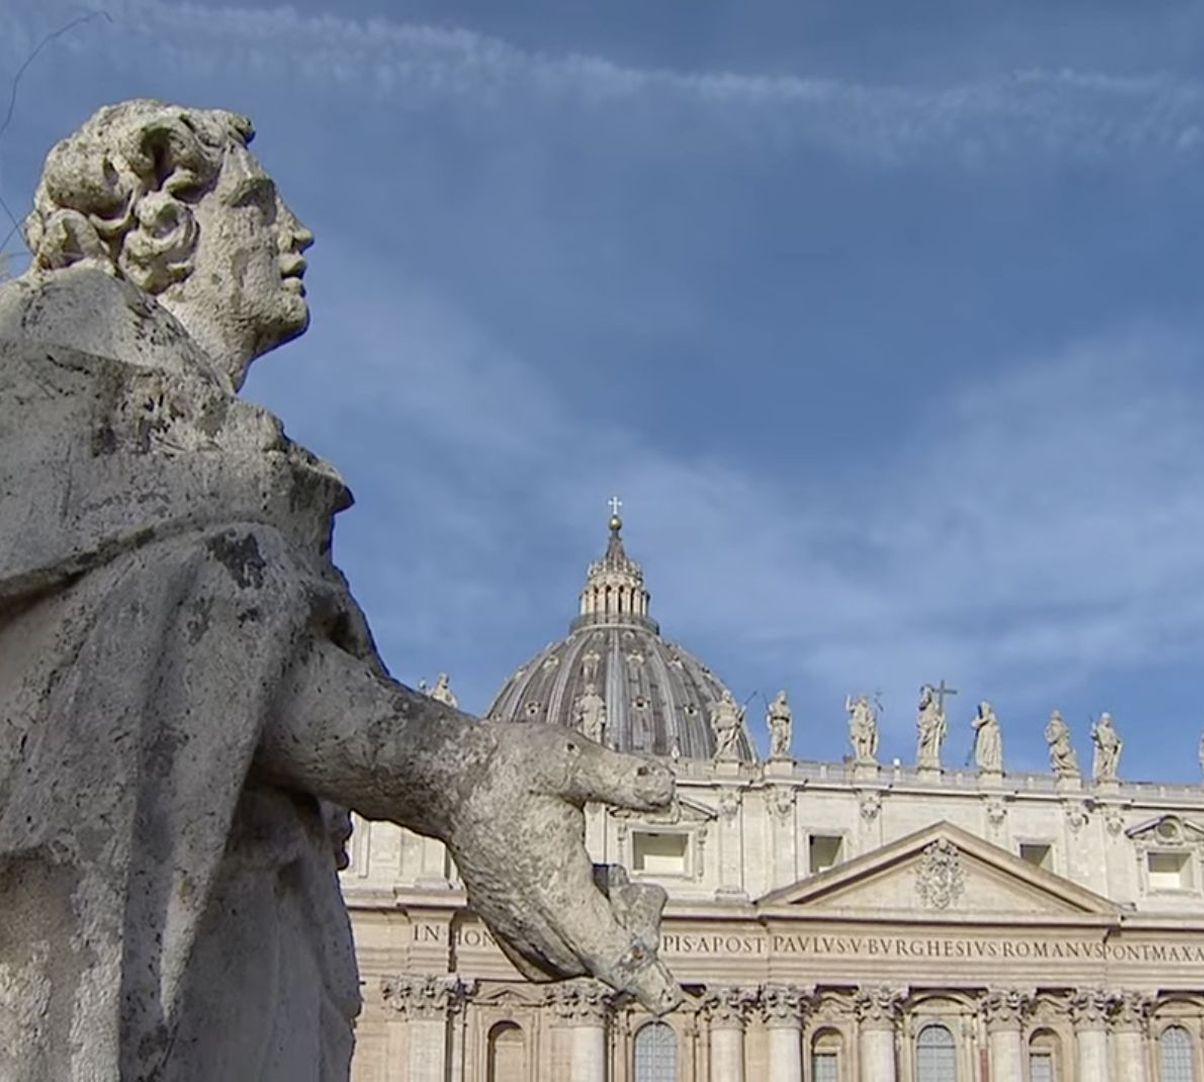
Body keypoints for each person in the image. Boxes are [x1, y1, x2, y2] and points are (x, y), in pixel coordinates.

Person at [0, 100, 678, 1082]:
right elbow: (193, 621)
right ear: (161, 221)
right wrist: (455, 773)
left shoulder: (192, 448)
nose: (299, 231)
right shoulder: (57, 398)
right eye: (261, 204)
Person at [915, 684, 947, 769]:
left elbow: (942, 716)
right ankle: (923, 758)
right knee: (923, 741)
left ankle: (931, 758)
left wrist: (940, 722)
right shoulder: (923, 706)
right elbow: (920, 716)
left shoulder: (935, 706)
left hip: (933, 725)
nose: (925, 696)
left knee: (932, 743)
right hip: (925, 725)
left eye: (927, 693)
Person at [1044, 710, 1079, 779]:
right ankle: (1065, 770)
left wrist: (1049, 737)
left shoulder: (1057, 726)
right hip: (1063, 746)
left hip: (1061, 746)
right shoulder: (1061, 726)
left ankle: (1064, 770)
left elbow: (1055, 736)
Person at [972, 700, 1003, 772]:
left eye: (985, 709)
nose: (984, 711)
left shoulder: (992, 717)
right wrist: (981, 720)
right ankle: (984, 763)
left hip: (991, 735)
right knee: (983, 748)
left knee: (990, 749)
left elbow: (993, 723)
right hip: (983, 735)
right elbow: (973, 725)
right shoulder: (981, 718)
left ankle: (990, 763)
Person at [766, 689, 793, 760]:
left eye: (785, 696)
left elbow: (790, 721)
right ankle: (776, 753)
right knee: (776, 739)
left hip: (784, 726)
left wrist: (789, 731)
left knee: (783, 740)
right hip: (777, 725)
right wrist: (770, 726)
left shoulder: (787, 709)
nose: (784, 698)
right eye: (783, 696)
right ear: (779, 697)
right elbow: (769, 718)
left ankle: (781, 753)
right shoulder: (773, 706)